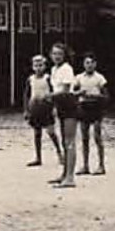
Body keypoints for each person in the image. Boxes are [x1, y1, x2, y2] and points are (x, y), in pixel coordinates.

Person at [23, 54, 63, 168]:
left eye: (40, 65)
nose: (38, 68)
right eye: (36, 65)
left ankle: (60, 153)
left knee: (51, 132)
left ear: (44, 66)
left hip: (46, 108)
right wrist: (26, 110)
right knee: (37, 133)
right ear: (32, 67)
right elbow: (26, 95)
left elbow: (54, 93)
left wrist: (55, 107)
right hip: (35, 108)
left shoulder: (48, 78)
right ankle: (38, 157)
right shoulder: (30, 79)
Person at [47, 42, 79, 188]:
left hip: (69, 104)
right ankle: (64, 173)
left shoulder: (67, 69)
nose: (57, 57)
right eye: (54, 54)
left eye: (59, 54)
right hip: (60, 104)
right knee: (64, 142)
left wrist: (49, 96)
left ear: (64, 55)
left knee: (69, 142)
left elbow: (65, 90)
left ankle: (70, 177)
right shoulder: (54, 69)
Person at [75, 52, 110, 175]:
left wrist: (95, 96)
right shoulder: (79, 78)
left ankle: (101, 165)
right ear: (84, 64)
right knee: (84, 138)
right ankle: (85, 165)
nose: (89, 65)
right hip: (84, 108)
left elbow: (106, 96)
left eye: (91, 63)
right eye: (87, 63)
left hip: (96, 109)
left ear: (95, 64)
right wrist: (79, 93)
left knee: (97, 137)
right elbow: (73, 93)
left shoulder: (99, 78)